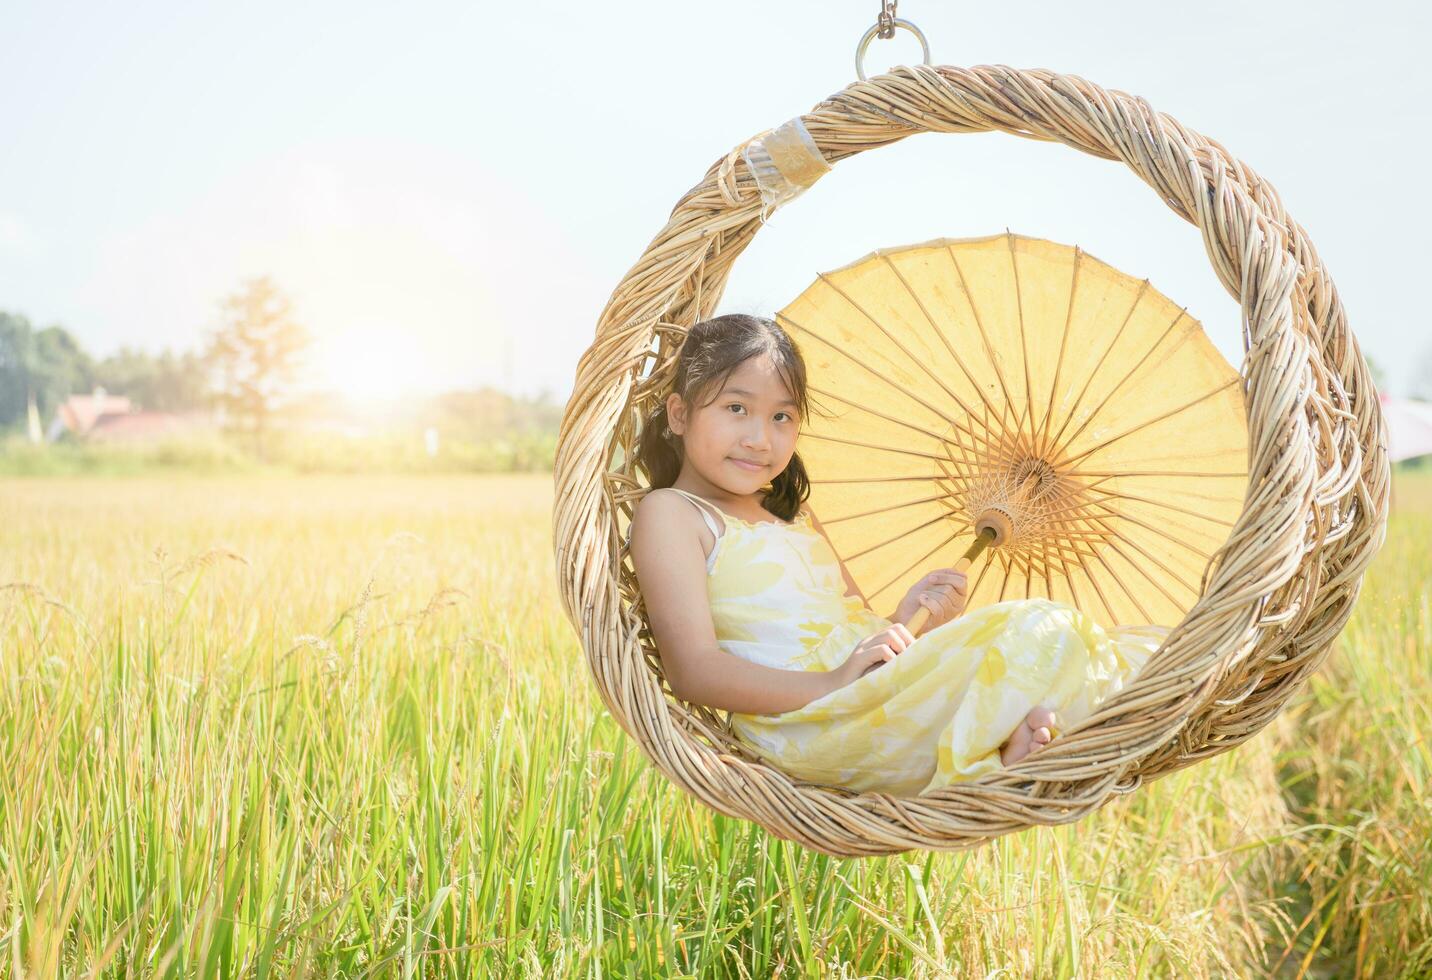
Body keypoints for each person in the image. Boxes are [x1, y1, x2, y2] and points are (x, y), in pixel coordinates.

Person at [627, 313, 1170, 796]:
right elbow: (692, 670)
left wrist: (917, 619)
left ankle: (999, 747)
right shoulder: (674, 513)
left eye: (782, 418)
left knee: (1115, 643)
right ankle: (990, 753)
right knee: (1043, 628)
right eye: (737, 408)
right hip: (808, 719)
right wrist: (830, 684)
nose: (759, 439)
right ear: (678, 414)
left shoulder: (794, 517)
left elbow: (860, 630)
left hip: (866, 694)